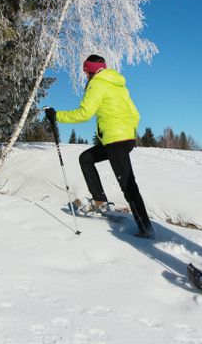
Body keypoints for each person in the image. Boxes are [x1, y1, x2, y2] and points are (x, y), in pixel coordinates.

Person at [44, 55, 154, 239]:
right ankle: (100, 200)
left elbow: (84, 113)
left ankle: (146, 228)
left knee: (128, 184)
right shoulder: (119, 86)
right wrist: (128, 133)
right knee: (86, 158)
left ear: (90, 70)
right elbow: (136, 114)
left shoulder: (97, 84)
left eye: (86, 71)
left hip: (115, 141)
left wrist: (57, 116)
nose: (85, 75)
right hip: (123, 139)